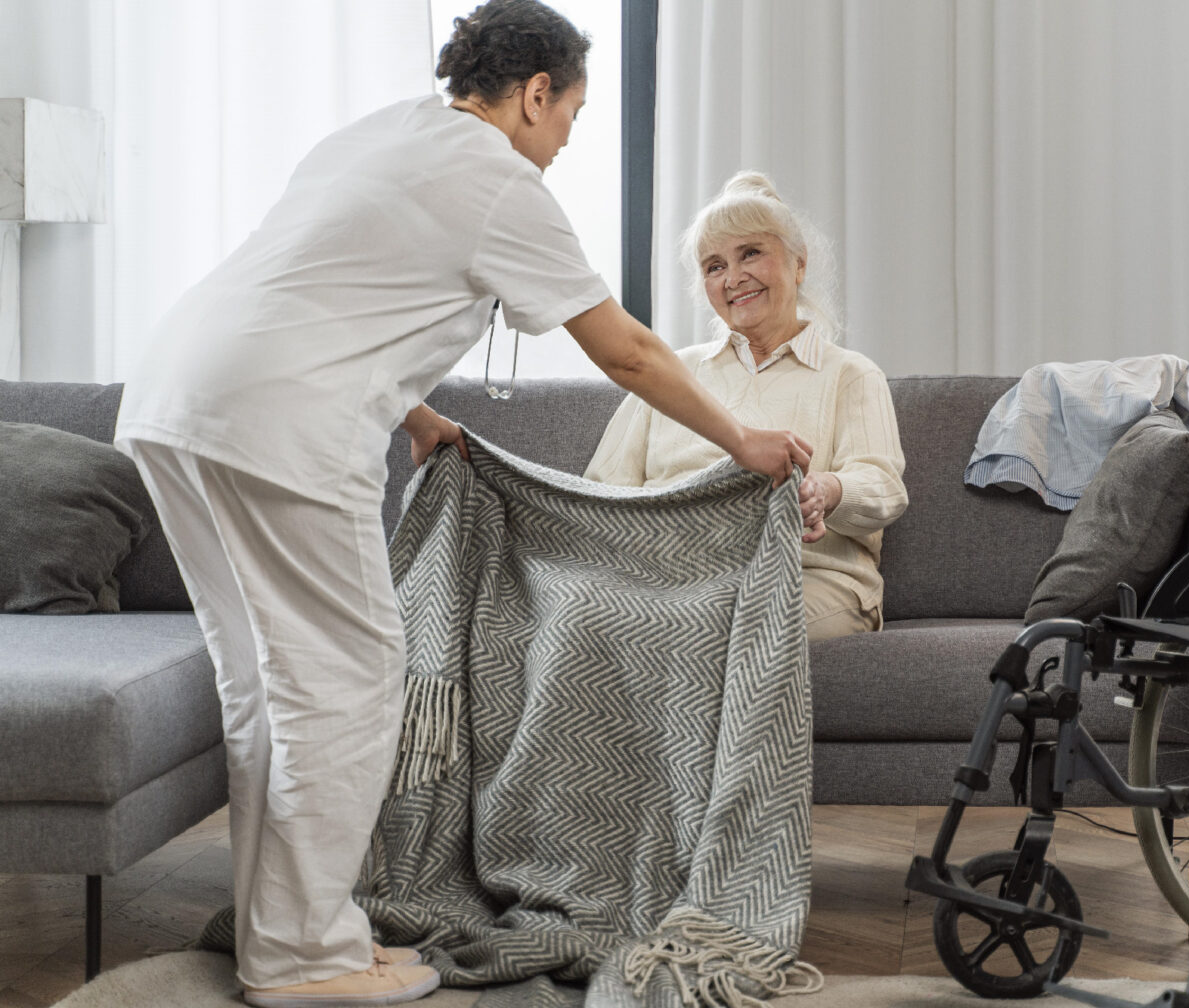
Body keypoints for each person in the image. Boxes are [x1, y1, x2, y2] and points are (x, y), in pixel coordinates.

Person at [112, 4, 813, 1006]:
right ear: (535, 94)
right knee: (350, 687)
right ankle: (306, 958)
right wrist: (742, 439)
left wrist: (414, 410)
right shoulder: (498, 181)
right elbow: (626, 349)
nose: (565, 142)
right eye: (570, 117)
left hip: (176, 400)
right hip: (282, 431)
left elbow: (327, 290)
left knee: (264, 687)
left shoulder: (382, 135)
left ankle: (293, 940)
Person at [585, 172, 907, 642]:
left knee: (716, 623)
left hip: (805, 577)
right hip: (676, 579)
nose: (733, 278)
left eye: (751, 253)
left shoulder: (850, 374)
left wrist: (827, 490)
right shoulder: (671, 373)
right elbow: (602, 492)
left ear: (798, 264)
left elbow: (884, 488)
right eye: (714, 266)